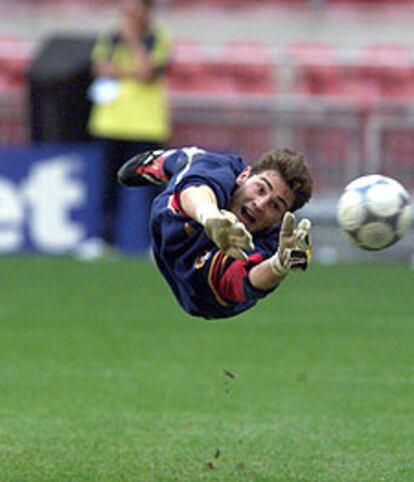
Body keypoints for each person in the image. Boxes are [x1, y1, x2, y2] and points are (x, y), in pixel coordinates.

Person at [118, 146, 314, 319]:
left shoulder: (276, 241)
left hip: (206, 296)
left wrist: (277, 266)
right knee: (194, 172)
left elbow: (244, 280)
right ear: (245, 175)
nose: (261, 204)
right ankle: (176, 161)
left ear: (279, 219)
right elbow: (196, 189)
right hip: (177, 233)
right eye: (260, 189)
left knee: (227, 284)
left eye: (275, 205)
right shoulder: (222, 172)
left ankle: (181, 162)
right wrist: (209, 216)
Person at [87, 0, 171, 250]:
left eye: (134, 11)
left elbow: (147, 72)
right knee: (108, 186)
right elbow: (100, 68)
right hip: (111, 122)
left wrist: (132, 42)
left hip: (146, 124)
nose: (129, 17)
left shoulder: (158, 38)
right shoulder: (110, 38)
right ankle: (105, 240)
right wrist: (128, 70)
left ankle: (155, 244)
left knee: (152, 190)